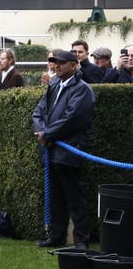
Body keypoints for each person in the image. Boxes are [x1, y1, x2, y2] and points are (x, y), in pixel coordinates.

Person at [32, 50, 95, 250]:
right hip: (50, 151)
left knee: (74, 197)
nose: (56, 66)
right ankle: (56, 236)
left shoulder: (82, 89)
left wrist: (48, 134)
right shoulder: (53, 85)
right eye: (54, 62)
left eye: (60, 63)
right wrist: (42, 132)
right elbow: (38, 112)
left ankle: (81, 240)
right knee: (56, 197)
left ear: (73, 65)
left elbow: (73, 118)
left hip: (68, 151)